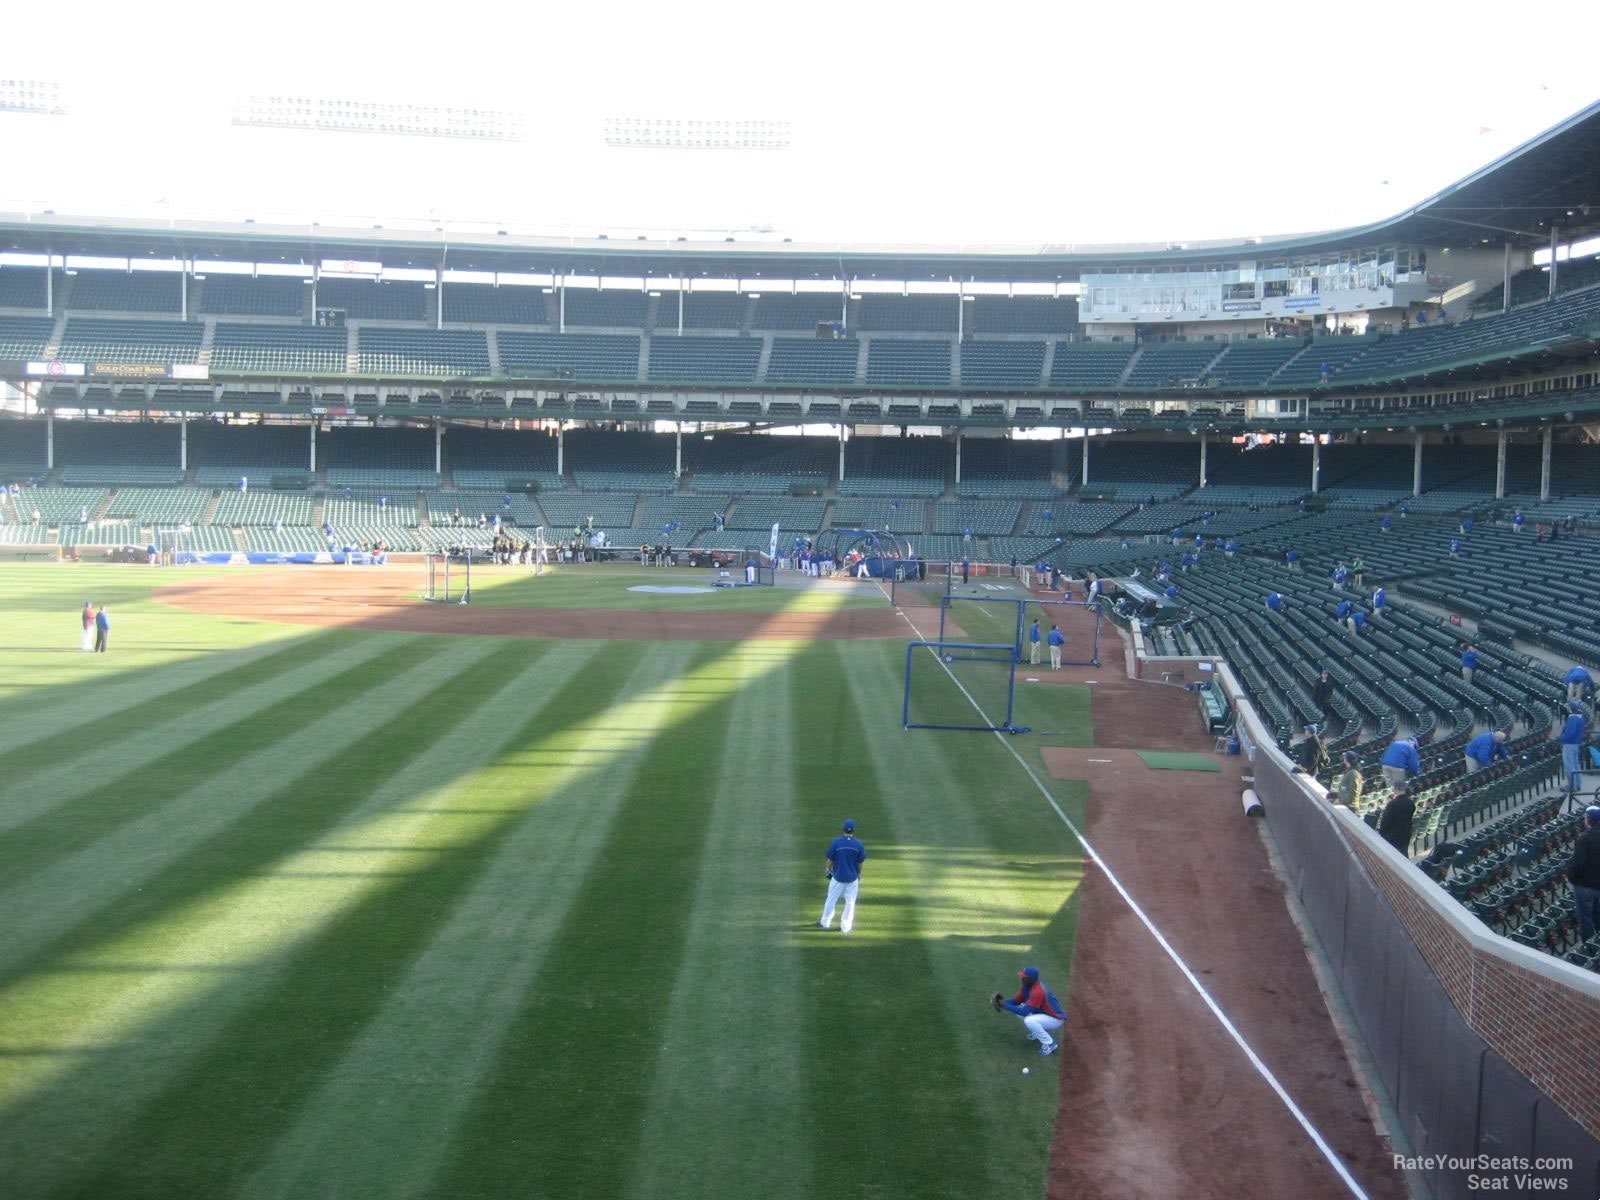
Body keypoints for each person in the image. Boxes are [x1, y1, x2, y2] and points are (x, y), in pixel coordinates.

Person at [993, 965, 1066, 1056]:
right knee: (1021, 1010)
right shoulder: (1026, 986)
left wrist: (1003, 1005)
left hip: (1055, 1019)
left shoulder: (1038, 991)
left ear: (1031, 979)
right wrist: (1002, 1002)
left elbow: (1024, 1012)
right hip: (1043, 1014)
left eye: (1024, 977)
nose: (1022, 978)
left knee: (1029, 1020)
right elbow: (1016, 1001)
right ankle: (1037, 1032)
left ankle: (1050, 1043)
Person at [818, 818, 866, 934]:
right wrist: (859, 874)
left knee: (831, 900)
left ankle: (825, 923)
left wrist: (827, 870)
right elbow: (860, 863)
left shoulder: (836, 842)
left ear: (843, 829)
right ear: (853, 830)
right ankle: (846, 927)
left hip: (837, 878)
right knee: (850, 903)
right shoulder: (858, 844)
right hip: (852, 879)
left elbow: (830, 859)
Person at [1568, 806, 1600, 942]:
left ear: (1589, 819)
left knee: (1585, 918)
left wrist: (1572, 878)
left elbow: (1578, 864)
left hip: (1585, 886)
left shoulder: (1584, 838)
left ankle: (1588, 949)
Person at [1557, 701, 1587, 794]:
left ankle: (1572, 786)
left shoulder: (1572, 718)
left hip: (1569, 744)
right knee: (1575, 765)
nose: (1566, 708)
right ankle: (1577, 785)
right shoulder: (1580, 717)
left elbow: (1570, 733)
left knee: (1569, 765)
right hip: (1576, 744)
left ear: (1570, 708)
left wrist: (1561, 738)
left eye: (1567, 707)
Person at [1377, 787, 1416, 855]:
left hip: (1393, 838)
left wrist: (1381, 833)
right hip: (1405, 835)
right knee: (1404, 856)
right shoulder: (1411, 803)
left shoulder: (1392, 804)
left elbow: (1385, 822)